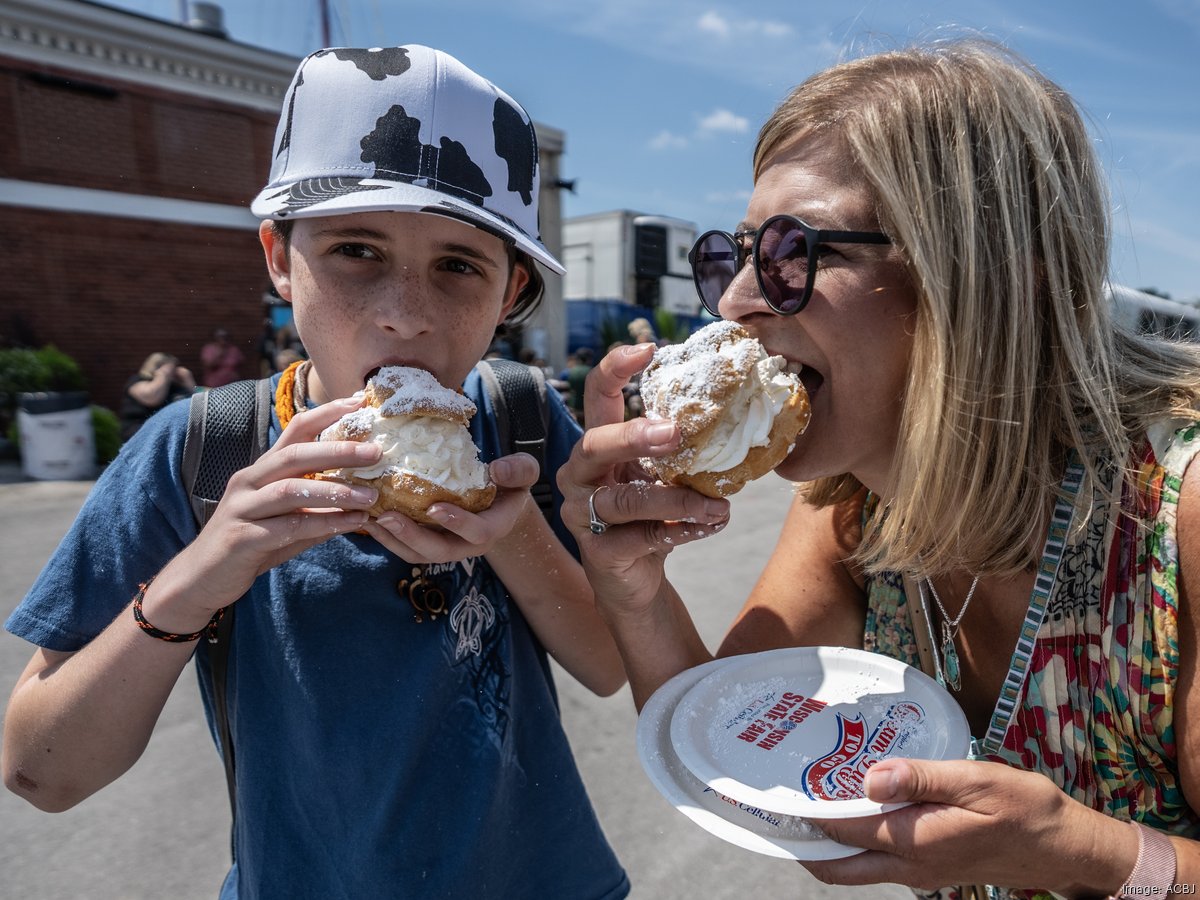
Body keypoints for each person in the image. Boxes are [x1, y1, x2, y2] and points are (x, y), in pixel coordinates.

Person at [556, 40, 1200, 898]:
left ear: (994, 279)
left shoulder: (1175, 517)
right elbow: (723, 736)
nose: (737, 301)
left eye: (792, 254)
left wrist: (1082, 853)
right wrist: (632, 587)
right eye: (732, 256)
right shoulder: (852, 502)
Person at [3, 44, 629, 900]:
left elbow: (605, 665)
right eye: (355, 251)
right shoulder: (202, 451)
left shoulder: (521, 420)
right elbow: (43, 772)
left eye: (458, 265)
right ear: (277, 255)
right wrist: (199, 578)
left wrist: (513, 527)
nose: (405, 315)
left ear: (510, 290)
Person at [117, 351, 196, 441]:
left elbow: (193, 400)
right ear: (156, 366)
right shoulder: (137, 381)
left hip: (167, 431)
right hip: (139, 432)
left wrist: (188, 379)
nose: (175, 371)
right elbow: (152, 398)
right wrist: (163, 375)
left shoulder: (174, 386)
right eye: (172, 368)